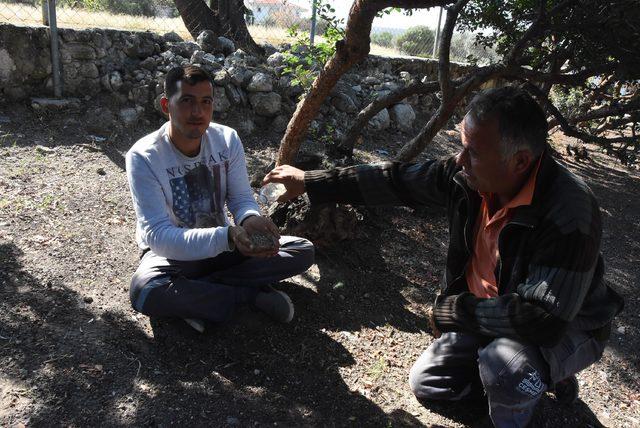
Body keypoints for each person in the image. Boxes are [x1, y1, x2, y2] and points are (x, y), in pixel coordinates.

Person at [262, 87, 623, 427]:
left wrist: (453, 311)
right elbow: (395, 180)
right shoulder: (466, 176)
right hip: (492, 312)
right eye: (462, 146)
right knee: (430, 382)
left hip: (569, 323)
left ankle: (529, 391)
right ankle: (533, 378)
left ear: (520, 161)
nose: (460, 160)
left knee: (507, 372)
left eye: (474, 152)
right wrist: (311, 181)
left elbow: (543, 319)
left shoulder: (569, 212)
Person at [125, 65, 314, 332]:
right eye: (187, 101)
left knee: (302, 250)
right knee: (145, 290)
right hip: (174, 256)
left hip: (227, 244)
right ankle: (248, 295)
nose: (198, 112)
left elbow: (240, 198)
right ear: (166, 105)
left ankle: (198, 298)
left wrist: (250, 220)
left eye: (206, 102)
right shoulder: (144, 156)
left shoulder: (227, 139)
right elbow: (157, 236)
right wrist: (227, 236)